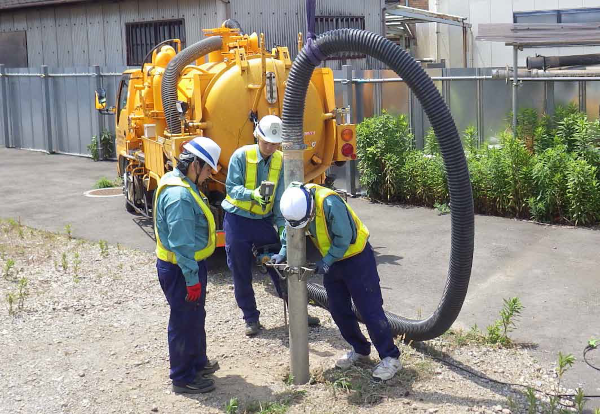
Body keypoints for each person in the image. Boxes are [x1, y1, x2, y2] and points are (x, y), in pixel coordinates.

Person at [276, 182, 402, 381]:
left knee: (369, 310)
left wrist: (325, 262)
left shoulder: (329, 203)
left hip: (356, 258)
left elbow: (345, 239)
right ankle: (360, 349)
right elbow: (290, 229)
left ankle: (390, 357)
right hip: (334, 261)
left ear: (310, 211)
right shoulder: (294, 201)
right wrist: (283, 252)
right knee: (338, 309)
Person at [221, 115, 320, 336]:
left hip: (262, 221)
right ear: (257, 136)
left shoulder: (281, 160)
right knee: (240, 270)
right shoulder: (241, 156)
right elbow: (231, 189)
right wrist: (252, 195)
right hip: (237, 219)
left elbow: (279, 200)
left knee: (280, 264)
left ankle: (298, 313)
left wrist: (284, 229)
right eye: (266, 142)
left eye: (275, 143)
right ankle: (251, 318)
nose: (270, 147)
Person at [154, 137, 222, 394]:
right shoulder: (179, 196)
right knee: (184, 321)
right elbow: (181, 244)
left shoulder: (182, 182)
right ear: (194, 164)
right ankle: (183, 377)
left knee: (195, 316)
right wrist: (192, 279)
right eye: (206, 170)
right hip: (181, 270)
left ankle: (197, 362)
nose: (208, 176)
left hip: (188, 267)